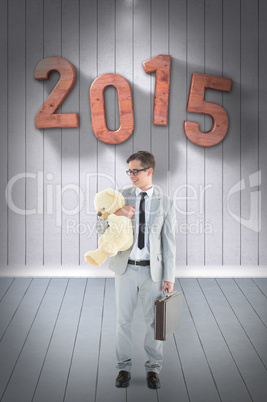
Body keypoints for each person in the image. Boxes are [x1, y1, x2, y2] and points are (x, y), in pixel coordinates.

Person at [96, 151, 176, 389]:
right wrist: (114, 214)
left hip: (153, 272)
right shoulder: (120, 197)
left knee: (154, 322)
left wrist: (169, 277)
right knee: (123, 321)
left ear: (149, 171)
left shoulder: (166, 202)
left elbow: (169, 243)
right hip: (125, 270)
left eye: (135, 171)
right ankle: (123, 368)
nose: (131, 175)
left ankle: (153, 369)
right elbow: (100, 227)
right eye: (129, 171)